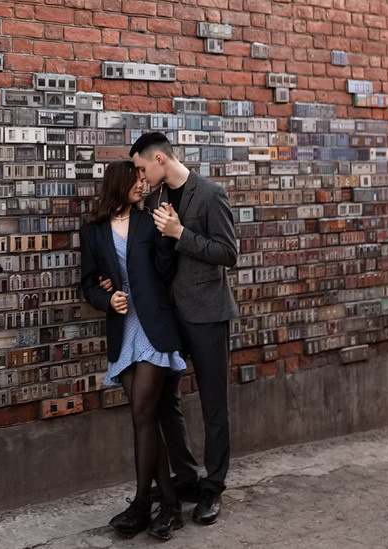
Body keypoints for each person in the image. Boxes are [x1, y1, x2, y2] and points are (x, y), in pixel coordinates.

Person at [129, 131, 239, 527]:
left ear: (160, 159)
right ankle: (187, 476)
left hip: (208, 312)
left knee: (213, 402)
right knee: (163, 398)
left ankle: (214, 485)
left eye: (142, 168)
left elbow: (229, 254)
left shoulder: (210, 194)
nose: (140, 177)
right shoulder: (155, 199)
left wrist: (180, 234)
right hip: (170, 317)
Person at [81, 160, 185, 540]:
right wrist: (108, 299)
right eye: (137, 179)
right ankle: (169, 506)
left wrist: (169, 236)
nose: (143, 184)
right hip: (123, 329)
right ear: (120, 183)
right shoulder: (92, 232)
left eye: (144, 178)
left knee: (142, 410)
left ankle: (142, 503)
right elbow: (88, 284)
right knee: (147, 416)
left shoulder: (148, 221)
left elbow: (164, 269)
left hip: (154, 326)